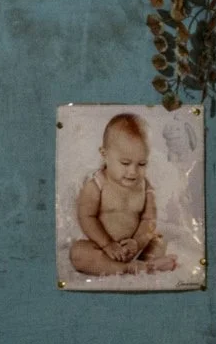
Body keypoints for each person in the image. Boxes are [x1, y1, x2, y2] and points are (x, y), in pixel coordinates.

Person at [70, 113, 178, 276]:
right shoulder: (96, 185)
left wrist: (138, 242)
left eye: (142, 164)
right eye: (125, 163)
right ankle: (126, 268)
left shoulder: (146, 187)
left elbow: (149, 220)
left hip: (135, 247)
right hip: (104, 249)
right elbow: (86, 217)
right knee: (78, 253)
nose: (133, 171)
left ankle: (145, 263)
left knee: (159, 240)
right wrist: (107, 244)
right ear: (104, 155)